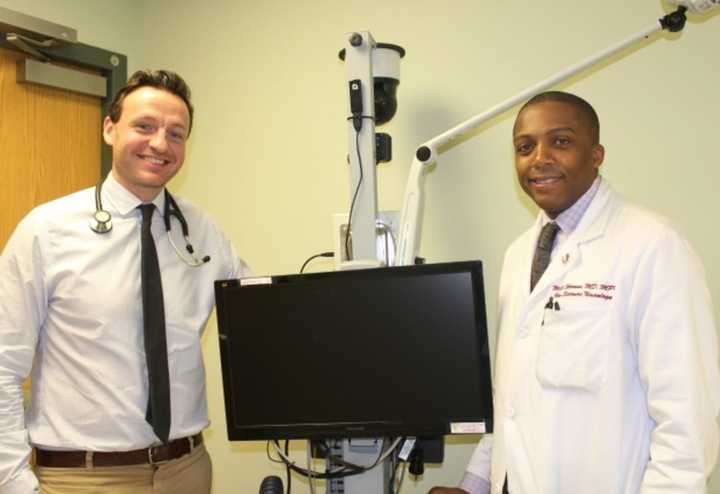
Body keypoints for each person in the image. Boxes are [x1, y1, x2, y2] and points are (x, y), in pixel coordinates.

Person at [430, 91, 720, 494]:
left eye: (561, 141)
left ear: (597, 153)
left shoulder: (654, 245)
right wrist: (474, 484)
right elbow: (510, 403)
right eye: (524, 147)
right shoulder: (518, 256)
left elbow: (687, 424)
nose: (539, 158)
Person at [0, 70, 248, 493]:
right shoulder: (47, 230)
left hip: (186, 470)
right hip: (84, 478)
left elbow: (256, 325)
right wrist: (14, 482)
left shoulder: (202, 231)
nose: (159, 144)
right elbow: (3, 364)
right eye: (144, 126)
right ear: (110, 128)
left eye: (176, 133)